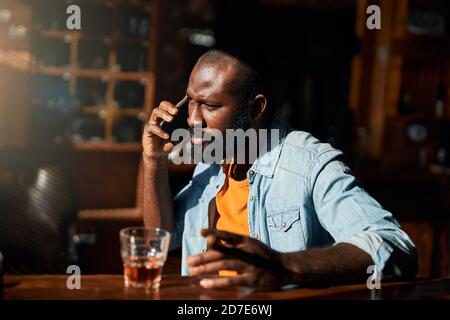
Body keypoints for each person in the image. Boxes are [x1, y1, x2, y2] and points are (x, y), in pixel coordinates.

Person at [142, 49, 417, 290]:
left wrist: (283, 266)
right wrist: (154, 161)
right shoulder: (212, 160)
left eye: (210, 106)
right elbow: (161, 238)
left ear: (256, 107)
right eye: (191, 100)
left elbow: (393, 246)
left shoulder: (310, 164)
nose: (192, 119)